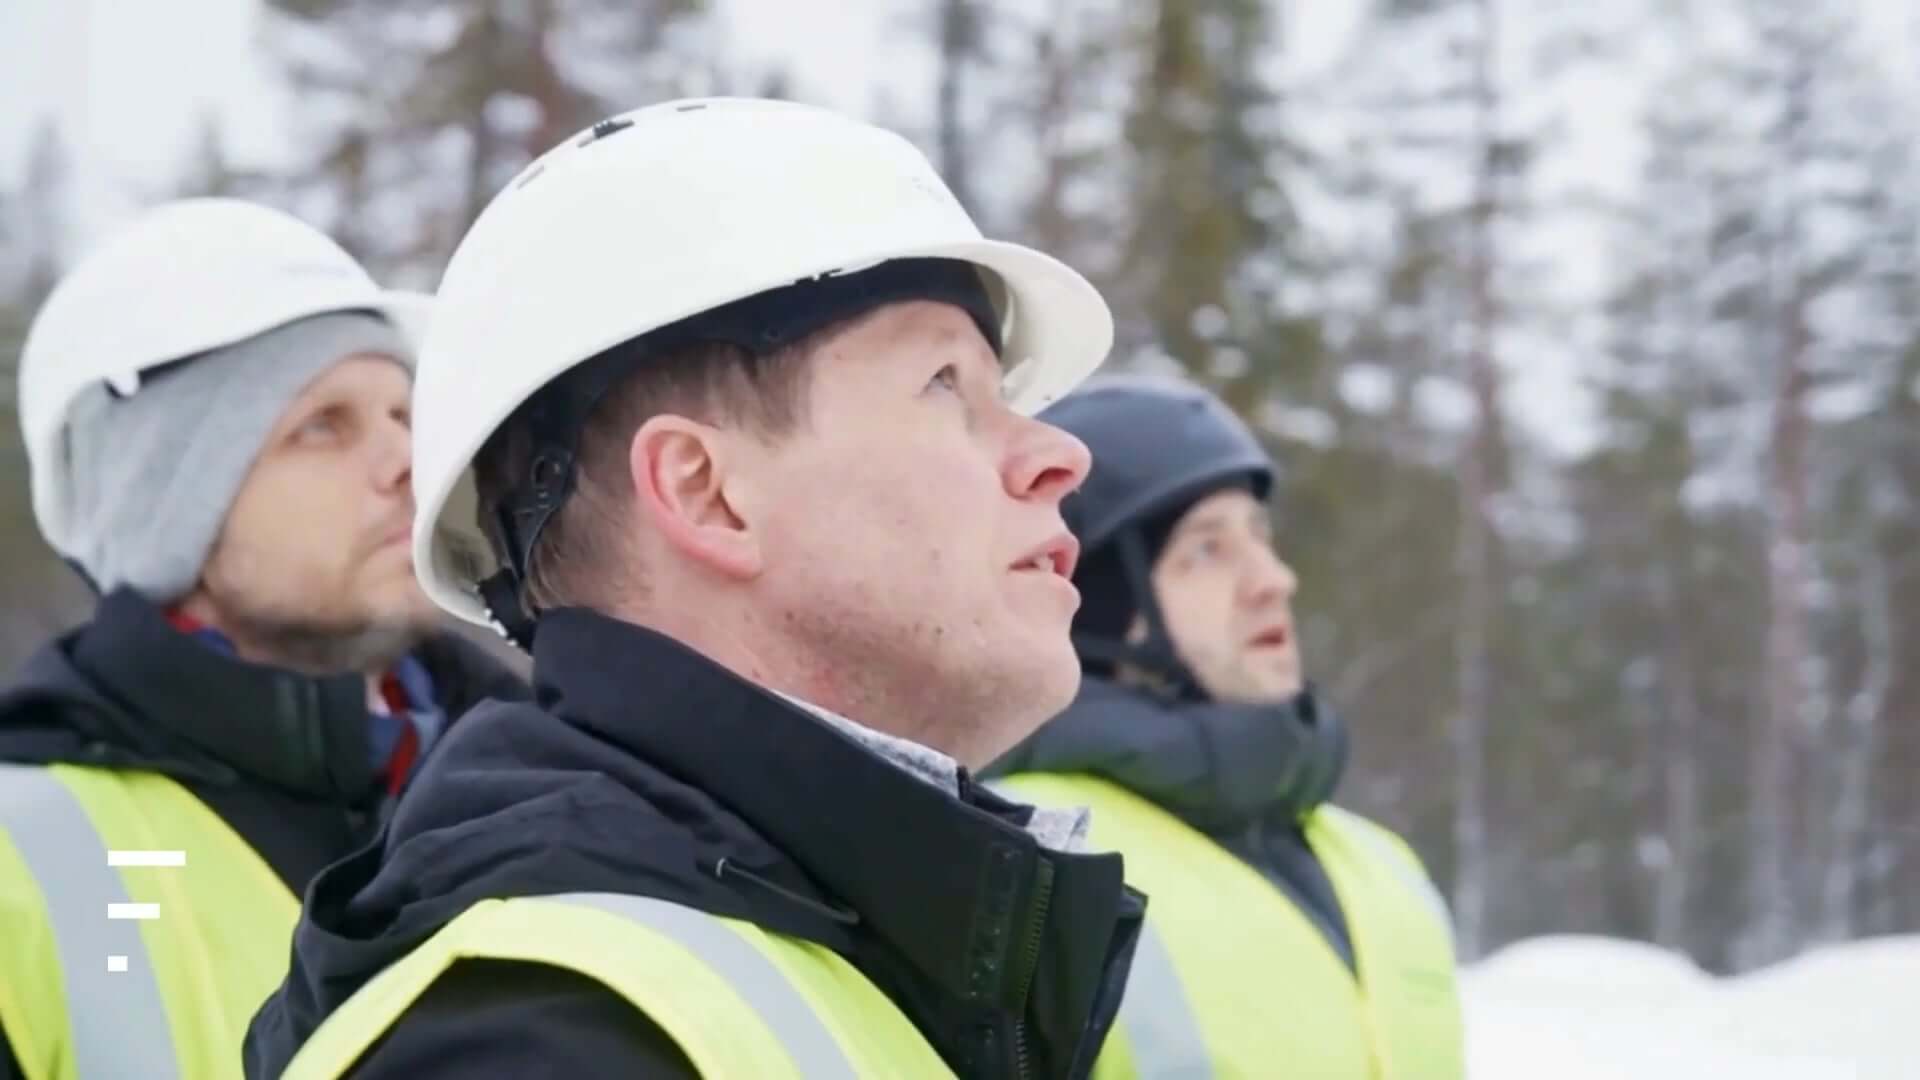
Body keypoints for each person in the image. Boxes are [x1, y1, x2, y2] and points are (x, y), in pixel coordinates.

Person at [243, 97, 1141, 1080]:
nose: (1059, 455)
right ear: (708, 495)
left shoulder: (879, 957)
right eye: (944, 385)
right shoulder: (536, 1045)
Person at [0, 198, 527, 1080]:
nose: (408, 460)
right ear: (168, 511)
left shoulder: (547, 793)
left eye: (404, 415)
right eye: (322, 425)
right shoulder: (23, 863)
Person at [987, 374, 1467, 1078]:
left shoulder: (1379, 862)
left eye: (1260, 536)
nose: (1273, 579)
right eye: (1208, 550)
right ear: (1107, 609)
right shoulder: (1026, 854)